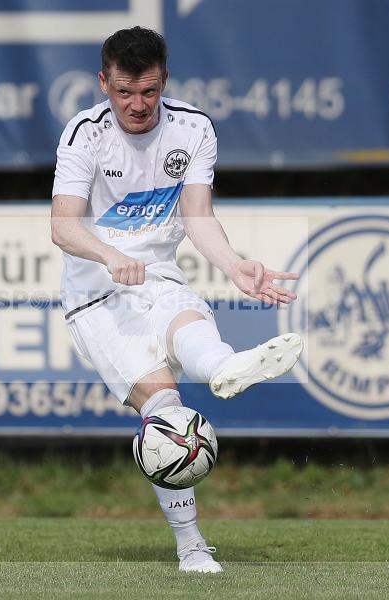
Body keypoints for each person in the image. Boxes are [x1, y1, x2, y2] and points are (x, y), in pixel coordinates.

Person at [50, 26, 302, 574]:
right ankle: (191, 545)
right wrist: (107, 255)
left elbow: (197, 216)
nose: (137, 105)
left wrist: (235, 264)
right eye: (123, 92)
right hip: (96, 292)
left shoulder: (194, 129)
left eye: (148, 91)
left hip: (159, 271)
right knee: (167, 412)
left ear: (164, 80)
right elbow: (63, 227)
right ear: (103, 83)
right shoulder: (83, 135)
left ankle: (224, 367)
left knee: (188, 325)